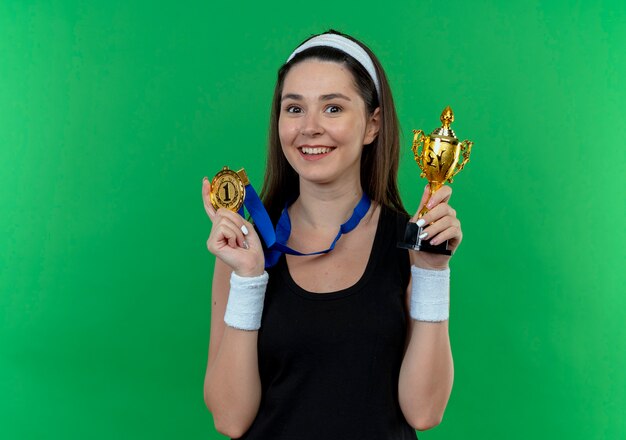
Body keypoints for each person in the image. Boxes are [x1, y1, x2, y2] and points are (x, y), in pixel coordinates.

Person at [201, 30, 461, 440]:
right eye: (294, 109)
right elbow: (229, 419)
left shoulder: (409, 242)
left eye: (333, 108)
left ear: (373, 125)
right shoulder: (246, 247)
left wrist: (431, 271)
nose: (310, 128)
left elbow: (424, 411)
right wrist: (250, 277)